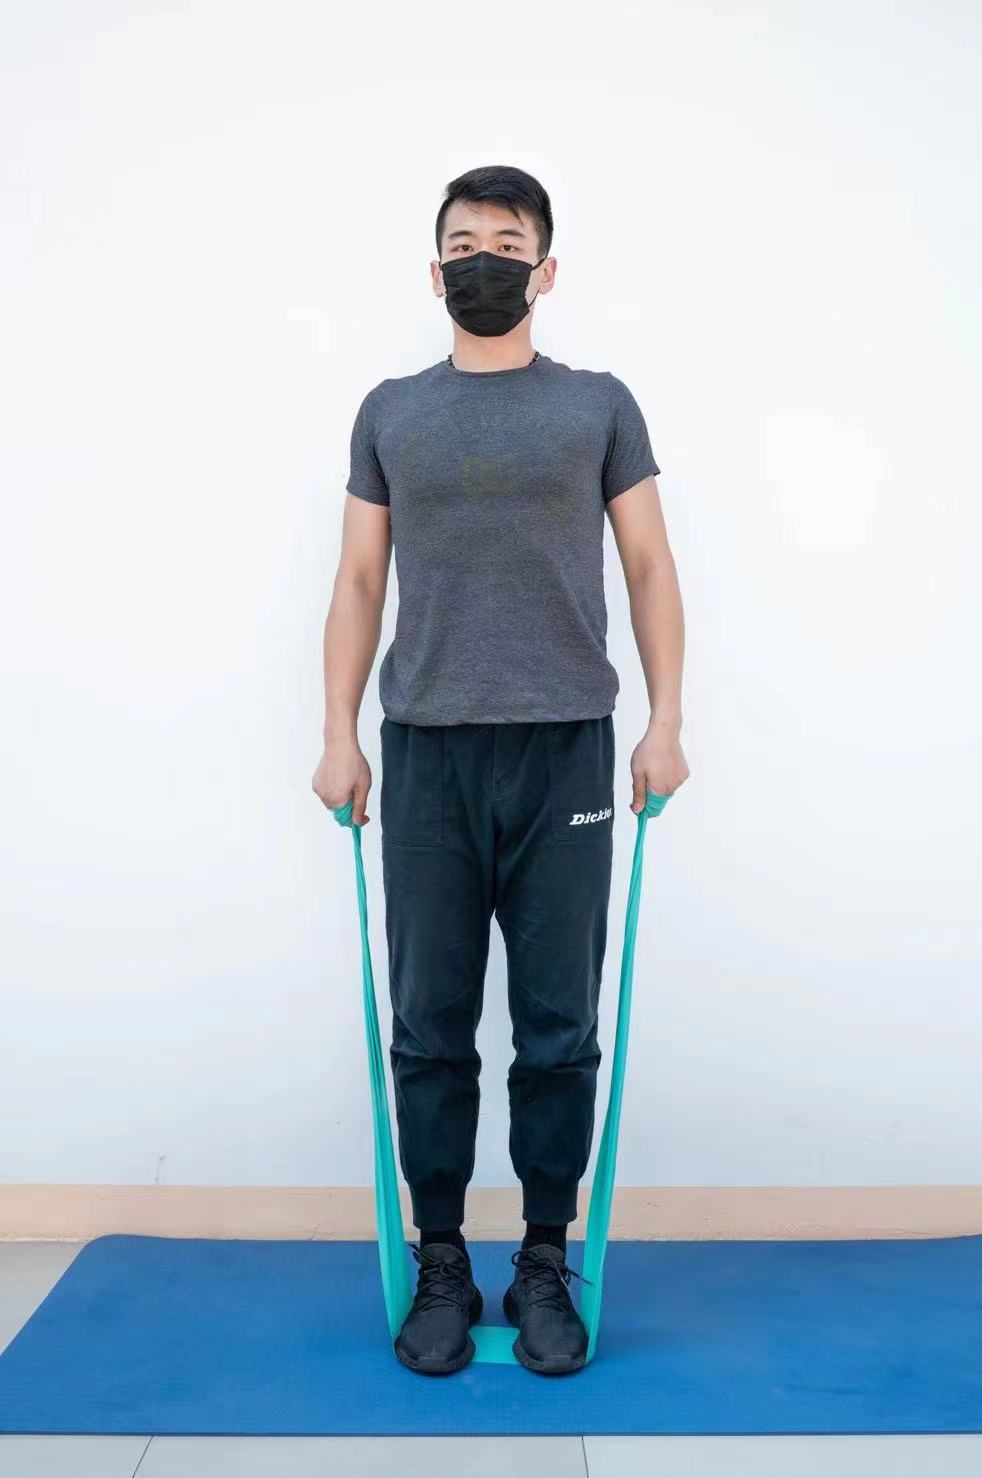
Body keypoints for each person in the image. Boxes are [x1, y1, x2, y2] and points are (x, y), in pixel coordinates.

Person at [313, 164, 688, 1376]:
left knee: (556, 1027)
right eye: (465, 241)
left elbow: (648, 564)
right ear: (436, 273)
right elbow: (359, 577)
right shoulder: (390, 411)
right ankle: (441, 1259)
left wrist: (665, 720)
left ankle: (539, 1258)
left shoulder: (597, 405)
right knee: (428, 1026)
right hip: (425, 750)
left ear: (545, 269)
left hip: (566, 743)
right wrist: (339, 733)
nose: (486, 258)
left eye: (508, 242)